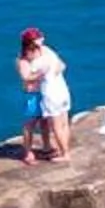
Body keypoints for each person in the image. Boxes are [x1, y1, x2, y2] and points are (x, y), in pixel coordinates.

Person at [18, 28, 72, 164]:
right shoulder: (24, 58)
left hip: (47, 92)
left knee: (45, 124)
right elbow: (26, 77)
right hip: (34, 95)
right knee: (30, 124)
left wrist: (51, 72)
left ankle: (47, 147)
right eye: (38, 38)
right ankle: (28, 153)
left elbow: (61, 65)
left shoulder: (45, 50)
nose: (42, 39)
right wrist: (42, 74)